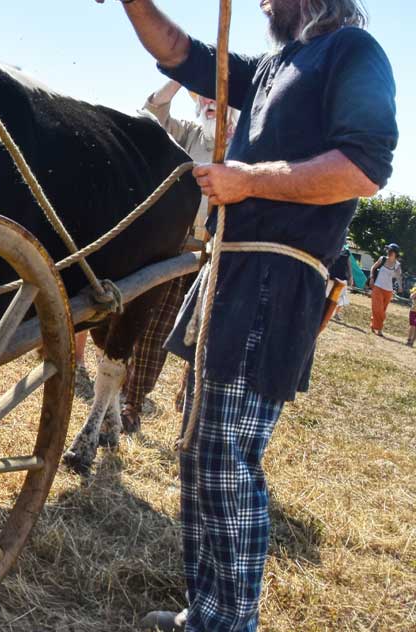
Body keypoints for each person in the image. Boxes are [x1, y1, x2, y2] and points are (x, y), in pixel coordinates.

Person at [105, 0, 397, 630]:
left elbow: (364, 169)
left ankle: (229, 624)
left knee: (224, 456)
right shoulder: (274, 64)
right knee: (201, 451)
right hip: (231, 267)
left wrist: (248, 180)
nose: (262, 2)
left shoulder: (351, 53)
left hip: (278, 272)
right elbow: (183, 54)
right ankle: (209, 613)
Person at [120, 81, 235, 433]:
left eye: (219, 98)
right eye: (205, 98)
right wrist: (183, 78)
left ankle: (191, 407)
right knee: (155, 331)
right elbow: (152, 114)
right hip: (177, 249)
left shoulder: (246, 146)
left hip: (218, 259)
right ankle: (130, 404)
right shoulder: (187, 134)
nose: (210, 103)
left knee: (205, 339)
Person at [367, 243, 402, 336]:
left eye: (391, 251)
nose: (389, 252)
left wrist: (400, 286)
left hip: (388, 290)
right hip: (377, 287)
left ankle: (374, 324)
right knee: (378, 309)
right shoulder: (382, 259)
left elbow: (399, 277)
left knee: (382, 309)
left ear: (396, 254)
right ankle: (380, 329)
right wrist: (371, 278)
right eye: (388, 250)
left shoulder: (397, 265)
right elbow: (373, 267)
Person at [329, 246, 352, 323]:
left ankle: (336, 313)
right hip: (331, 276)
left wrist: (350, 277)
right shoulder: (333, 246)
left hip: (342, 277)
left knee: (341, 297)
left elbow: (349, 265)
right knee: (328, 295)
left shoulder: (347, 252)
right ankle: (325, 311)